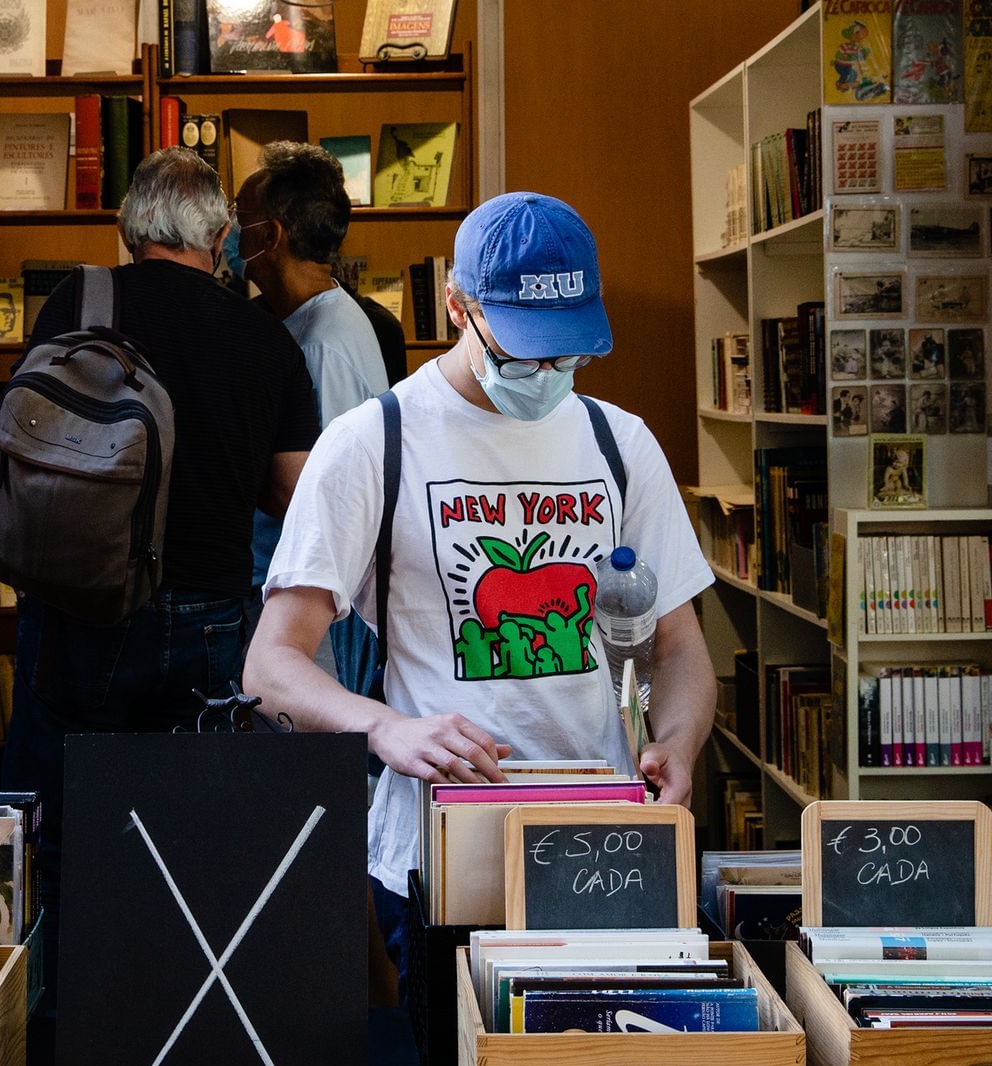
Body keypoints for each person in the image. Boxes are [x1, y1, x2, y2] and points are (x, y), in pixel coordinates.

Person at [243, 193, 718, 975]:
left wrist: (677, 742)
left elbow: (680, 645)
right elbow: (269, 666)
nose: (545, 373)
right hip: (441, 855)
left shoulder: (620, 442)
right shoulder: (373, 442)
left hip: (603, 845)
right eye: (525, 350)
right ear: (460, 308)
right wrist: (385, 728)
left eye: (567, 354)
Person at [3, 149, 319, 973]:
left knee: (61, 823)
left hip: (79, 605)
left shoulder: (77, 301)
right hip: (211, 616)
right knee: (193, 831)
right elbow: (294, 497)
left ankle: (63, 1025)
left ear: (128, 228)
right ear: (219, 237)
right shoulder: (266, 339)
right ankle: (175, 1018)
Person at [236, 141, 391, 690]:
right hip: (289, 588)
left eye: (240, 218)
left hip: (311, 605)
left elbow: (325, 494)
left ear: (270, 236)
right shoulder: (296, 323)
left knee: (310, 751)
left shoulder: (325, 343)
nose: (231, 233)